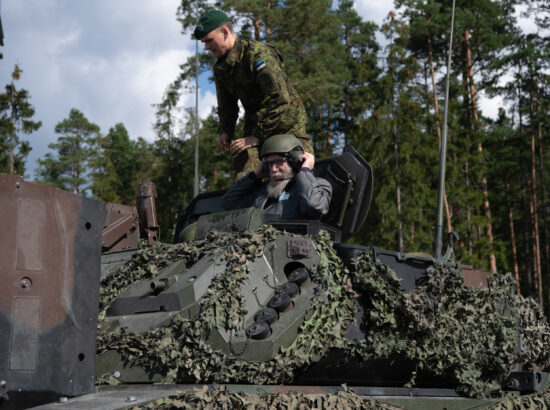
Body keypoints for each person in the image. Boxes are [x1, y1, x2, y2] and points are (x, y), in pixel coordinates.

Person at [194, 10, 312, 177]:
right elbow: (227, 107)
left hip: (287, 126)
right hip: (256, 132)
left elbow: (281, 102)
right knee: (245, 180)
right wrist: (225, 131)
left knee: (299, 178)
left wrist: (256, 137)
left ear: (225, 32)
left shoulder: (258, 55)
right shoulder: (221, 68)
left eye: (209, 41)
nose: (206, 47)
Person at [221, 134, 331, 220]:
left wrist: (305, 170)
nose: (273, 169)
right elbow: (228, 203)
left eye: (279, 162)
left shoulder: (317, 186)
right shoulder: (262, 192)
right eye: (269, 163)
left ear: (294, 162)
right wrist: (255, 176)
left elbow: (314, 206)